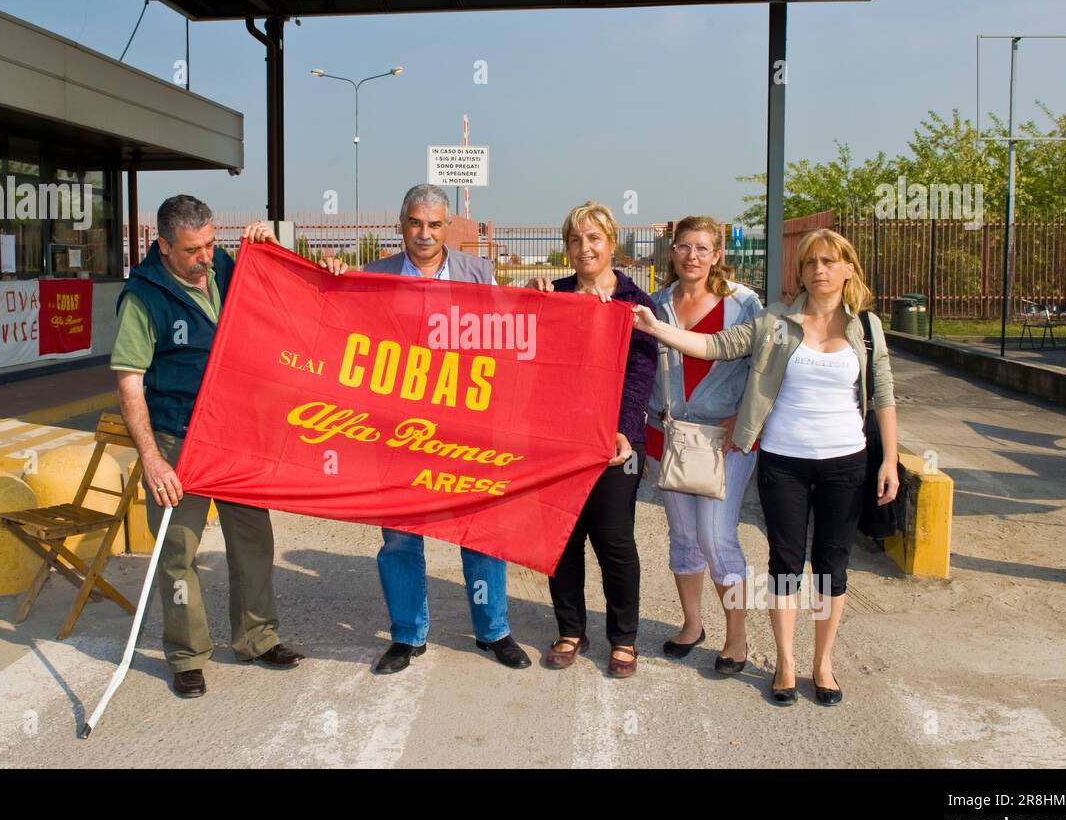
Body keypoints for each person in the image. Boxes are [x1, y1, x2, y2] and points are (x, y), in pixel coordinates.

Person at [633, 228, 898, 705]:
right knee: (785, 563)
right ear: (800, 272)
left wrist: (891, 461)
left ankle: (823, 664)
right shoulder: (776, 320)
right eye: (810, 262)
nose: (819, 269)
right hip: (783, 459)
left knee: (832, 564)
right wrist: (657, 328)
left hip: (846, 460)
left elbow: (883, 396)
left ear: (848, 269)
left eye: (829, 261)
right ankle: (785, 662)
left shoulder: (867, 328)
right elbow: (715, 345)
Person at [319, 183, 531, 674]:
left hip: (467, 426)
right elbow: (341, 332)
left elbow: (507, 340)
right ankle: (407, 635)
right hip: (395, 432)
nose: (424, 233)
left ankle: (493, 630)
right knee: (399, 535)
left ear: (447, 227)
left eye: (435, 224)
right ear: (401, 224)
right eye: (415, 223)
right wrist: (331, 279)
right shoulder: (373, 276)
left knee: (480, 528)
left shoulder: (480, 274)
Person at [112, 195, 303, 699]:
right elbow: (130, 381)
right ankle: (187, 654)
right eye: (193, 250)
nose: (205, 258)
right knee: (179, 553)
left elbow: (281, 296)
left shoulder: (221, 263)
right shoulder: (143, 298)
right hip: (179, 441)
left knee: (253, 542)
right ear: (164, 247)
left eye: (211, 244)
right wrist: (151, 458)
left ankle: (258, 637)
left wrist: (269, 247)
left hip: (236, 437)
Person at [526, 201, 658, 677]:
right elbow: (528, 358)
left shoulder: (637, 303)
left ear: (611, 243)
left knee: (615, 540)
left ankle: (623, 639)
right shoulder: (553, 295)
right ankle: (570, 629)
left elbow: (641, 372)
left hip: (617, 442)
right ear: (567, 247)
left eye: (595, 238)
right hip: (560, 439)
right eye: (577, 240)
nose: (586, 248)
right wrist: (529, 299)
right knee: (564, 537)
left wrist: (621, 430)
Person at [644, 217, 762, 674]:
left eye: (702, 247)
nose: (692, 255)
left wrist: (744, 419)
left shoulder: (743, 303)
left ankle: (737, 636)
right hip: (672, 435)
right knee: (684, 535)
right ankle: (692, 625)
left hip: (725, 439)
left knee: (716, 536)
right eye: (684, 246)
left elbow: (766, 367)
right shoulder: (656, 304)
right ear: (672, 251)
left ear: (717, 255)